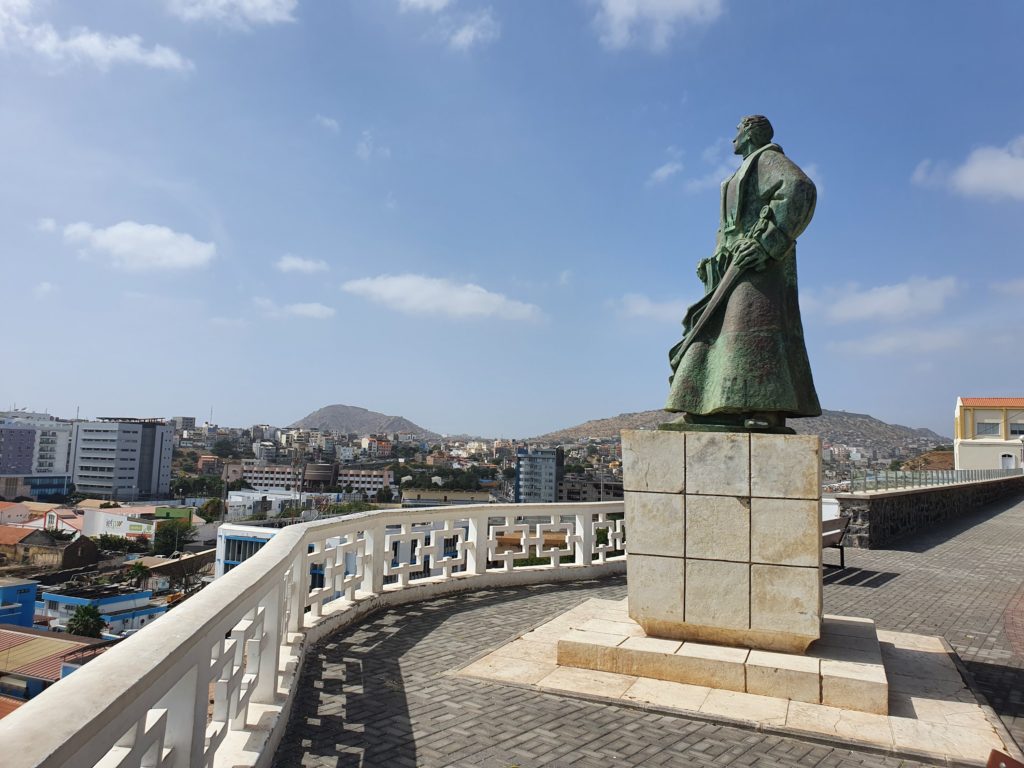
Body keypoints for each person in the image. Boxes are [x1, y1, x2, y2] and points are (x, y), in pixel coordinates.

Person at [665, 115, 821, 430]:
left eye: (736, 132)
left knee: (749, 332)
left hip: (758, 266)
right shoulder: (745, 168)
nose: (732, 138)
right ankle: (709, 404)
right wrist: (715, 261)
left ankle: (764, 409)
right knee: (713, 331)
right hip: (733, 265)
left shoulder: (768, 159)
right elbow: (729, 228)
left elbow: (799, 189)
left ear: (749, 133)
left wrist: (767, 243)